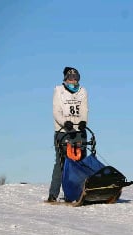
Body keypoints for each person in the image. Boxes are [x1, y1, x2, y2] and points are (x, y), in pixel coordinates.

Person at [48, 67, 89, 202]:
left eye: (76, 78)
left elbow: (84, 109)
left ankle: (79, 193)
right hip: (63, 132)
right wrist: (65, 122)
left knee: (81, 162)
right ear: (65, 79)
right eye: (71, 78)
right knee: (62, 163)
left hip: (79, 132)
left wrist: (83, 121)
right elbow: (56, 111)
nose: (73, 81)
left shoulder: (82, 91)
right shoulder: (59, 91)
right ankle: (53, 194)